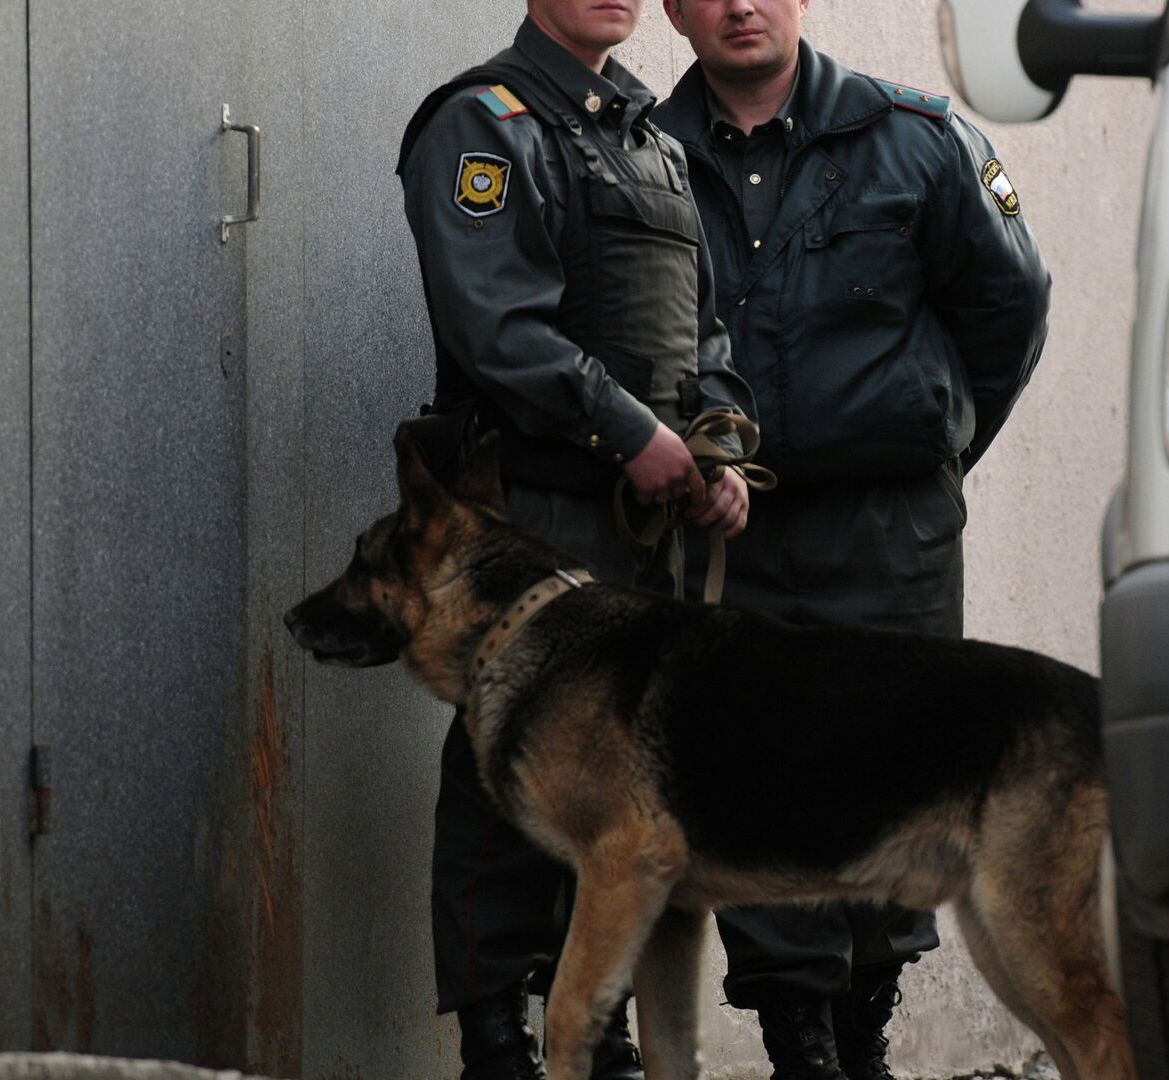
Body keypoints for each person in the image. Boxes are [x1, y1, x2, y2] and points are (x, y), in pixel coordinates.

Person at [652, 3, 1053, 1079]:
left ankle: (862, 1026)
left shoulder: (915, 138)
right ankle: (801, 1048)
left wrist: (934, 444)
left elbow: (1009, 311)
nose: (742, 4)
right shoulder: (646, 155)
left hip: (890, 533)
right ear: (675, 11)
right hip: (736, 537)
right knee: (752, 790)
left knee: (897, 780)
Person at [395, 2, 754, 1077]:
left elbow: (707, 325)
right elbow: (494, 324)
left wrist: (722, 444)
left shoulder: (646, 134)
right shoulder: (484, 121)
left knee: (620, 779)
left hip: (647, 521)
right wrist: (629, 430)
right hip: (531, 509)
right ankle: (495, 1031)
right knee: (510, 767)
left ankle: (585, 1024)